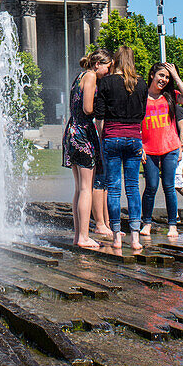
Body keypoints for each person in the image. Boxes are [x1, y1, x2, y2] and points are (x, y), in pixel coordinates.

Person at [94, 47, 149, 250]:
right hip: (134, 137)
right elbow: (142, 113)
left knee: (114, 189)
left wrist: (102, 136)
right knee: (133, 187)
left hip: (112, 136)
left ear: (115, 61)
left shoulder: (106, 82)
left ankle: (116, 236)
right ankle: (135, 238)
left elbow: (99, 114)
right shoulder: (141, 83)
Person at [62, 48, 112, 247]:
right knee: (86, 188)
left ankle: (78, 236)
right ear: (98, 64)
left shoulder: (79, 76)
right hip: (83, 132)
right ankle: (83, 236)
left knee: (79, 189)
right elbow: (88, 108)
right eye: (107, 68)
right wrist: (104, 108)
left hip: (72, 130)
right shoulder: (91, 76)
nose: (108, 72)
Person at [139, 63, 183, 239]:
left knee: (169, 186)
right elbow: (136, 124)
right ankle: (146, 222)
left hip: (170, 147)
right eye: (161, 75)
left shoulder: (170, 96)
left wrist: (176, 77)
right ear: (152, 75)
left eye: (167, 77)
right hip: (149, 148)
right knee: (151, 187)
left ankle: (172, 224)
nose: (164, 80)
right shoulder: (141, 97)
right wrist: (140, 147)